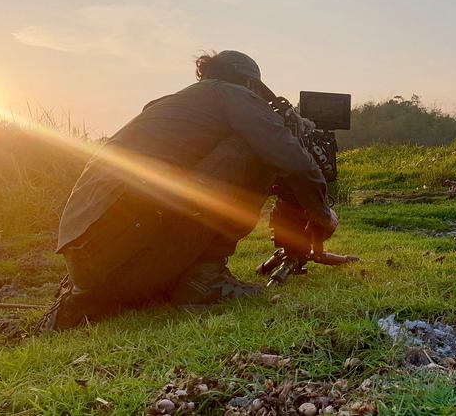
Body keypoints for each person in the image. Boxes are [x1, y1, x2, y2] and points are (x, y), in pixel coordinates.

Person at [37, 50, 338, 331]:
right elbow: (294, 161)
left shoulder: (169, 105)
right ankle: (205, 279)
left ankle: (169, 280)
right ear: (248, 83)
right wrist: (321, 213)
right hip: (123, 247)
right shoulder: (232, 93)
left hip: (91, 261)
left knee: (245, 151)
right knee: (257, 149)